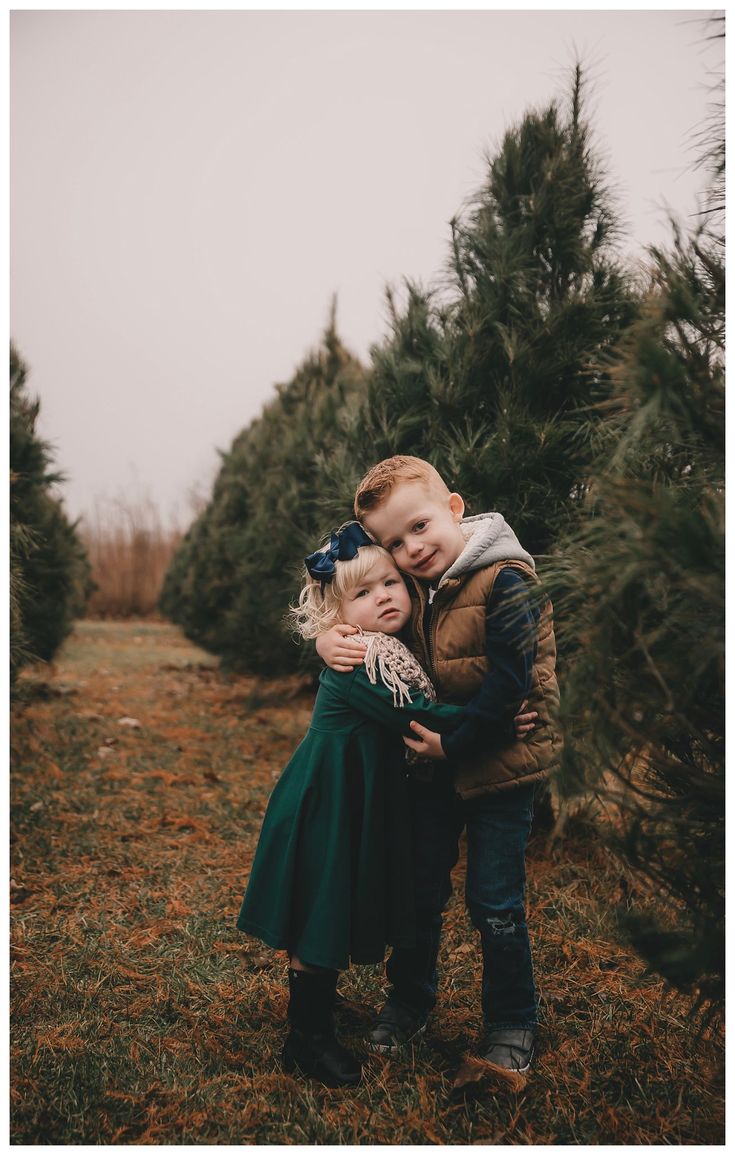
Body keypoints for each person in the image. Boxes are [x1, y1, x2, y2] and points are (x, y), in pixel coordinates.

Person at [316, 456, 561, 1078]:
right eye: (395, 542)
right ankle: (408, 1002)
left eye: (420, 527)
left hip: (500, 767)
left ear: (456, 508)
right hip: (435, 770)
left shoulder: (505, 579)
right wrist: (326, 635)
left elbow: (510, 686)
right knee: (420, 888)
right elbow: (346, 587)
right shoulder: (416, 586)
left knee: (495, 900)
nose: (412, 548)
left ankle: (512, 1018)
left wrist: (453, 745)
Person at [236, 521, 469, 1088]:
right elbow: (421, 715)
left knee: (331, 902)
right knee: (322, 907)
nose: (382, 597)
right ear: (335, 617)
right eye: (361, 594)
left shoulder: (393, 648)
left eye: (389, 583)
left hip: (352, 795)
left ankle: (314, 1013)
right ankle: (307, 1040)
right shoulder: (364, 659)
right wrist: (497, 722)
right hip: (329, 800)